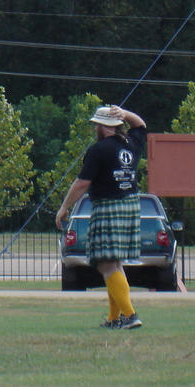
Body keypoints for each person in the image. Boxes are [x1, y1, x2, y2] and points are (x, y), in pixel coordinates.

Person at [56, 105, 147, 330]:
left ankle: (130, 314)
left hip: (108, 207)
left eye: (97, 124)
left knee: (106, 263)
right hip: (131, 205)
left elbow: (82, 183)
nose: (96, 127)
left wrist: (64, 207)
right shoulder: (132, 144)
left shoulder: (99, 149)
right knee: (114, 263)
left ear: (104, 126)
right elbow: (141, 124)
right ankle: (113, 318)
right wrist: (126, 113)